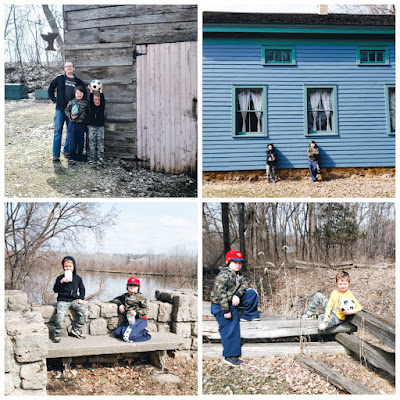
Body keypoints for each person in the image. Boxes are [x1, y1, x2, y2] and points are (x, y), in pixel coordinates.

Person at [210, 250, 260, 367]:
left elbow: (244, 286)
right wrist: (226, 310)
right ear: (228, 262)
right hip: (220, 306)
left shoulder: (238, 275)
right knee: (230, 326)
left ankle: (247, 315)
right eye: (235, 262)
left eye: (240, 263)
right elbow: (220, 293)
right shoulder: (223, 275)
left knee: (252, 293)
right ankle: (230, 356)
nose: (238, 265)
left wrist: (237, 295)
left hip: (231, 301)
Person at [48, 61, 85, 162]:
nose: (68, 68)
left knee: (70, 132)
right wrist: (55, 100)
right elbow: (50, 89)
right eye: (67, 66)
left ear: (74, 68)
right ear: (64, 68)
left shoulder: (78, 81)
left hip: (72, 111)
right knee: (57, 132)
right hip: (60, 110)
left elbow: (83, 94)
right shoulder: (59, 79)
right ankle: (56, 154)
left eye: (70, 66)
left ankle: (67, 151)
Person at [53, 256, 87, 343]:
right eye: (66, 266)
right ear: (63, 267)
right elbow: (55, 290)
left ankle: (76, 329)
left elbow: (82, 290)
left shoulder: (78, 278)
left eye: (70, 266)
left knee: (85, 312)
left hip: (74, 300)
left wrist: (81, 298)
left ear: (74, 267)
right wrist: (61, 282)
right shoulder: (59, 278)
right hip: (62, 300)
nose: (68, 268)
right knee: (60, 315)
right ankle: (57, 332)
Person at [110, 277, 151, 343]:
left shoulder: (141, 297)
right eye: (130, 285)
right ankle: (136, 331)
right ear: (127, 286)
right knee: (117, 333)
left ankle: (144, 333)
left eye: (134, 285)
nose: (132, 287)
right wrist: (120, 305)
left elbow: (146, 309)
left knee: (127, 337)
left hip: (140, 320)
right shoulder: (125, 296)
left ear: (138, 287)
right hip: (129, 320)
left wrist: (136, 312)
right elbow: (115, 299)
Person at [64, 86, 89, 162]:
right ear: (75, 94)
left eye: (81, 93)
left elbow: (88, 113)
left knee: (81, 141)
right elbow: (66, 111)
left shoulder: (85, 103)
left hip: (82, 125)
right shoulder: (71, 102)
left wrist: (86, 120)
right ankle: (71, 157)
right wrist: (71, 116)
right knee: (72, 141)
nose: (79, 95)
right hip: (73, 124)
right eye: (77, 93)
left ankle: (80, 156)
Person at [87, 83, 106, 166]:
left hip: (100, 127)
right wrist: (91, 92)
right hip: (92, 127)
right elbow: (90, 100)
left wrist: (101, 91)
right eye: (95, 100)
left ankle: (100, 159)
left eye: (98, 100)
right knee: (92, 143)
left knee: (100, 143)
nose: (97, 101)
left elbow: (103, 100)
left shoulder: (101, 107)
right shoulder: (91, 106)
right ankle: (92, 159)